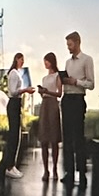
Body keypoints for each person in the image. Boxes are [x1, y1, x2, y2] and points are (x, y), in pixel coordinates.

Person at [61, 30, 94, 184]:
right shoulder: (67, 62)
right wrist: (64, 81)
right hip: (66, 99)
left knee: (78, 138)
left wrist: (76, 82)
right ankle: (69, 173)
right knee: (67, 139)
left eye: (70, 44)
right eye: (67, 45)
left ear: (77, 43)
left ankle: (82, 175)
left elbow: (91, 84)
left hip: (78, 100)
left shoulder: (87, 60)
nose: (68, 47)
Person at [36, 52, 64, 182]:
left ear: (52, 61)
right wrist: (42, 92)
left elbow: (59, 93)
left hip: (53, 105)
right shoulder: (44, 78)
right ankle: (46, 170)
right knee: (44, 139)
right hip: (45, 104)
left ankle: (55, 169)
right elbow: (44, 94)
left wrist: (48, 92)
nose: (45, 64)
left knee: (53, 139)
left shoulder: (57, 76)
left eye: (47, 61)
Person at [1, 52, 29, 177]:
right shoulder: (13, 73)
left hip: (16, 104)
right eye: (21, 59)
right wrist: (25, 90)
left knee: (16, 135)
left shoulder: (16, 73)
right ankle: (10, 166)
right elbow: (12, 91)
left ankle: (12, 165)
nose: (23, 62)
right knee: (13, 136)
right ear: (17, 59)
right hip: (13, 103)